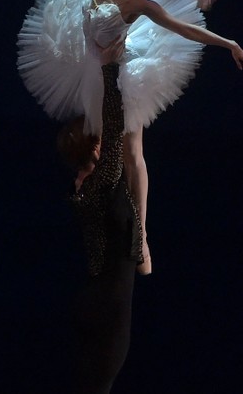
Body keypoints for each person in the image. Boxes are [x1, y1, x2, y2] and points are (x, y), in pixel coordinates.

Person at [18, 0, 243, 274]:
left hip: (124, 69)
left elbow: (182, 30)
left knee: (132, 151)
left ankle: (141, 238)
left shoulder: (142, 2)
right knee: (96, 137)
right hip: (88, 54)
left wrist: (229, 43)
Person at [64, 36, 140, 393]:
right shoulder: (101, 182)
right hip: (108, 310)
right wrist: (110, 72)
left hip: (96, 302)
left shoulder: (84, 187)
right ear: (92, 143)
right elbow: (114, 129)